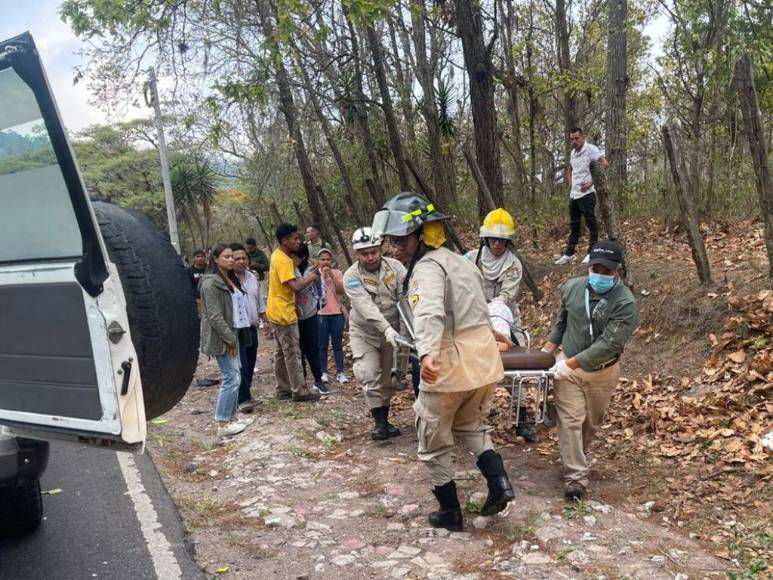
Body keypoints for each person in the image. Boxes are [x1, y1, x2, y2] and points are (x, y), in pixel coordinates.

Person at [372, 192, 514, 531]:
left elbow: (430, 313)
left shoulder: (427, 268)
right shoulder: (460, 261)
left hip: (448, 364)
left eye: (401, 240)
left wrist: (427, 353)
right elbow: (480, 304)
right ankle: (500, 485)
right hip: (481, 363)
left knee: (432, 441)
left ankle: (450, 513)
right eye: (392, 241)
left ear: (422, 235)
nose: (395, 247)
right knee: (472, 426)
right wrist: (491, 334)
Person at [543, 240, 638, 500]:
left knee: (590, 422)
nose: (600, 275)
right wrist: (546, 353)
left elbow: (609, 344)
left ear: (616, 271)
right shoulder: (572, 288)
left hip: (602, 370)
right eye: (595, 268)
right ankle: (576, 477)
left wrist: (569, 364)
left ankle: (575, 455)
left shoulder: (625, 303)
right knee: (570, 420)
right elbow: (561, 322)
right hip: (568, 365)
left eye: (606, 271)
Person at [464, 208, 535, 441]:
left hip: (504, 318)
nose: (497, 244)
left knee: (515, 373)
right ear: (486, 238)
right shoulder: (470, 259)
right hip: (473, 318)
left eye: (502, 240)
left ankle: (522, 418)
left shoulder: (513, 264)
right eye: (494, 239)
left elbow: (506, 295)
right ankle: (469, 416)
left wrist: (494, 323)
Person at [343, 227, 406, 440]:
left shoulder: (396, 268)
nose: (370, 257)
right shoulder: (351, 277)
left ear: (380, 249)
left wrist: (405, 332)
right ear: (357, 254)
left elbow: (405, 300)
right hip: (364, 332)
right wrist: (386, 328)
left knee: (390, 378)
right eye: (364, 253)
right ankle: (379, 424)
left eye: (373, 251)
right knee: (369, 374)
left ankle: (386, 420)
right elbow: (365, 307)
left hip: (393, 332)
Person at [199, 244, 252, 437]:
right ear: (215, 259)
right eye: (226, 257)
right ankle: (222, 422)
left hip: (234, 332)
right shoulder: (210, 283)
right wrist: (229, 340)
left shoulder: (229, 279)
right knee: (230, 377)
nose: (231, 260)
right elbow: (214, 316)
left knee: (236, 374)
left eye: (232, 256)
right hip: (222, 337)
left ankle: (231, 418)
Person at [265, 223, 322, 403]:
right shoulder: (283, 260)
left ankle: (283, 389)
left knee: (281, 352)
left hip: (276, 309)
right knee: (292, 352)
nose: (298, 241)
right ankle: (299, 391)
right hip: (283, 312)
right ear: (284, 241)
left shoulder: (276, 255)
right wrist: (312, 277)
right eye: (295, 239)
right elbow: (295, 286)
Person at [555, 128, 609, 266]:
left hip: (588, 193)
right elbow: (570, 169)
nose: (574, 141)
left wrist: (591, 182)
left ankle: (592, 252)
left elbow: (604, 164)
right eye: (572, 139)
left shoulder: (591, 149)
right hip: (574, 194)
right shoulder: (573, 153)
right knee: (574, 225)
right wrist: (571, 183)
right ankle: (569, 253)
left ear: (582, 137)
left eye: (576, 138)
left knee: (591, 223)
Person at [231, 243, 267, 413]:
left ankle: (246, 392)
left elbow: (258, 300)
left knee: (251, 361)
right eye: (237, 258)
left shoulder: (252, 277)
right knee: (241, 363)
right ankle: (243, 399)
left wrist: (264, 319)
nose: (241, 261)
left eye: (244, 258)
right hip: (237, 328)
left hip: (252, 326)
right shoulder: (227, 280)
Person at [293, 243, 328, 396]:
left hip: (310, 313)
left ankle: (318, 379)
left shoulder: (312, 270)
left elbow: (320, 288)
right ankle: (302, 380)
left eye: (294, 256)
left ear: (303, 257)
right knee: (297, 349)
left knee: (312, 347)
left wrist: (320, 303)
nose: (291, 258)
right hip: (292, 315)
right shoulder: (288, 269)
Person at [317, 247, 348, 386]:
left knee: (337, 345)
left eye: (328, 259)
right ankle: (323, 372)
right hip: (320, 314)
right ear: (318, 261)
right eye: (323, 259)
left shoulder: (337, 273)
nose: (325, 262)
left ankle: (340, 372)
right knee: (322, 345)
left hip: (336, 313)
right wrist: (322, 278)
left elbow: (342, 290)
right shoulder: (314, 275)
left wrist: (332, 276)